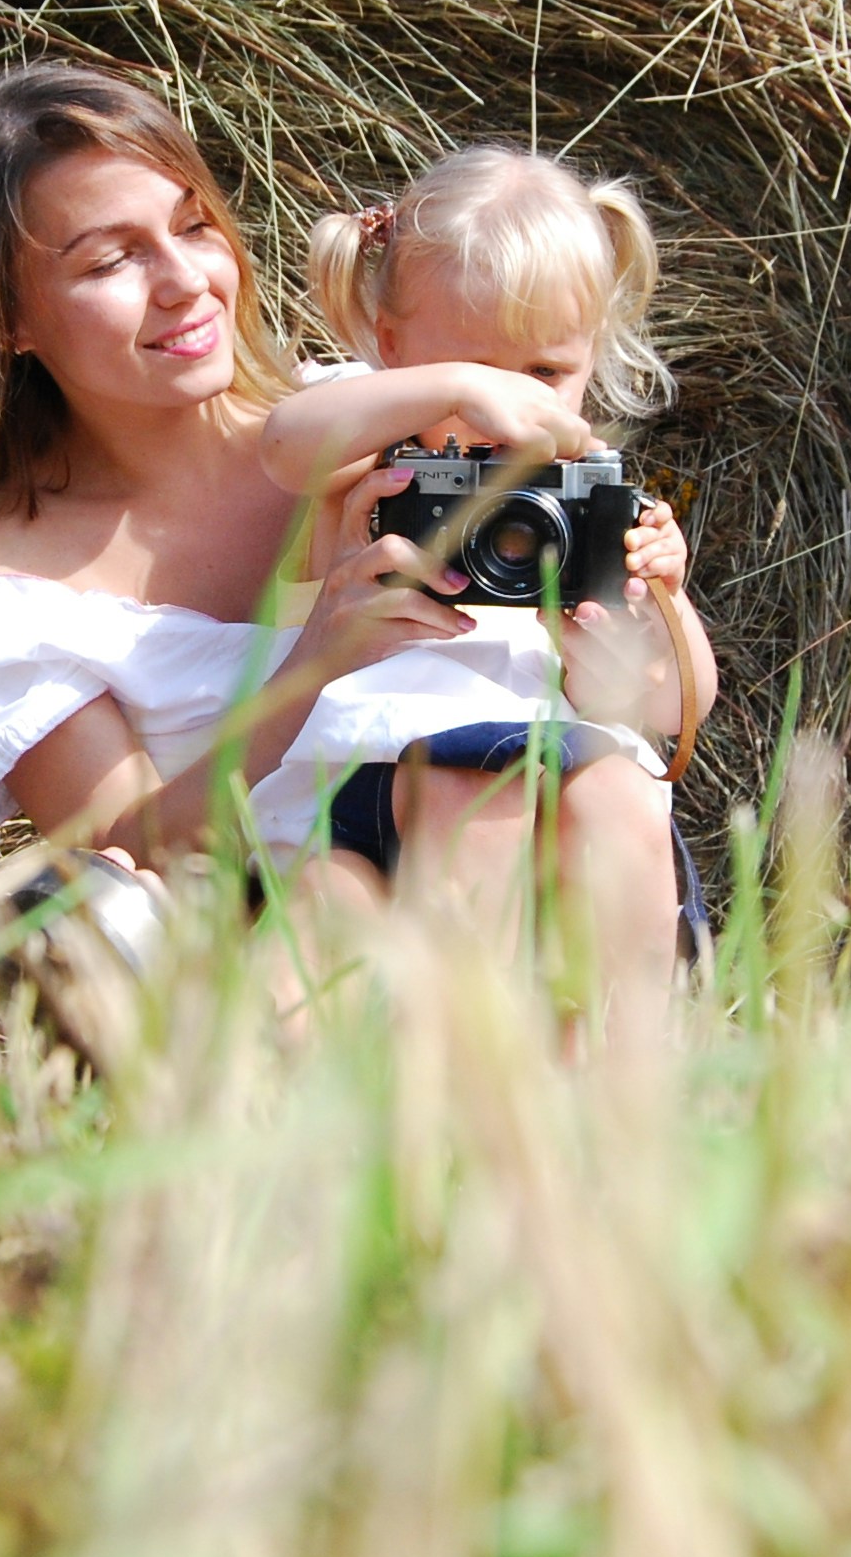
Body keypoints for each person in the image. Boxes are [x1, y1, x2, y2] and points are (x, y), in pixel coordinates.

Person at [0, 64, 681, 1010]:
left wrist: (635, 608)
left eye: (193, 226)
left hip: (551, 874)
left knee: (483, 806)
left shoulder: (397, 416)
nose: (184, 283)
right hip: (279, 936)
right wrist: (314, 666)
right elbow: (128, 850)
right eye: (110, 261)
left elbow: (650, 709)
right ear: (5, 317)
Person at [248, 147, 715, 967]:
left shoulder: (588, 495)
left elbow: (678, 710)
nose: (515, 405)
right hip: (375, 780)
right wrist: (450, 394)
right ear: (391, 346)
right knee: (473, 785)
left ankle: (633, 1062)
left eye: (546, 371)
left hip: (561, 792)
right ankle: (469, 1061)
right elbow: (285, 447)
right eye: (473, 368)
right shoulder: (373, 462)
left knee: (624, 790)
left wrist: (662, 608)